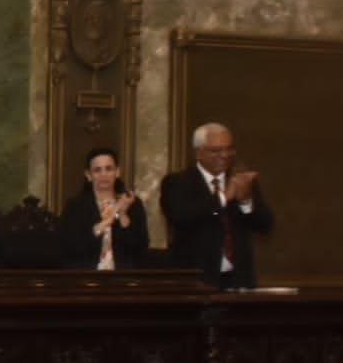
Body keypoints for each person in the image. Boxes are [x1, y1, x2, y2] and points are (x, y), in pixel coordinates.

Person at [160, 122, 274, 289]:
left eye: (229, 149)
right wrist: (224, 197)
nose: (225, 155)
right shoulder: (177, 182)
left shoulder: (241, 181)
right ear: (198, 153)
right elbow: (181, 217)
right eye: (216, 150)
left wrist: (246, 202)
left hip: (239, 280)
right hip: (197, 282)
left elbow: (265, 226)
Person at [60, 147, 149, 270]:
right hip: (85, 276)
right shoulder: (75, 206)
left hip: (124, 278)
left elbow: (139, 249)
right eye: (97, 170)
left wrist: (122, 213)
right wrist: (110, 218)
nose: (104, 175)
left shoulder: (133, 204)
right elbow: (73, 246)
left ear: (117, 172)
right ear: (88, 175)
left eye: (109, 169)